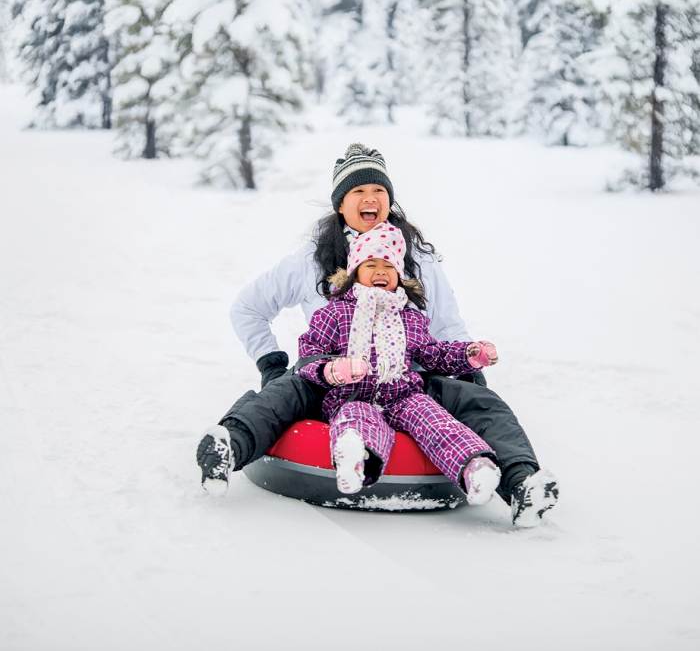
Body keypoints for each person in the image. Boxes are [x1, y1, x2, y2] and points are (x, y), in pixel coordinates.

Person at [197, 143, 559, 526]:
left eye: (379, 192)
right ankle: (228, 450)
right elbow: (248, 308)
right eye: (359, 191)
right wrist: (272, 364)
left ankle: (521, 485)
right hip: (330, 377)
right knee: (280, 395)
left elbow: (446, 325)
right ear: (341, 204)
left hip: (407, 379)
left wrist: (471, 377)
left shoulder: (416, 259)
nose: (370, 199)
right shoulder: (310, 260)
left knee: (482, 402)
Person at [297, 221, 502, 504]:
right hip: (351, 394)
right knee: (357, 416)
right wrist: (332, 369)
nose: (380, 272)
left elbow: (433, 354)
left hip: (402, 395)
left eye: (388, 266)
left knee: (433, 418)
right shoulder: (335, 313)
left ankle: (474, 468)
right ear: (355, 273)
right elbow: (309, 353)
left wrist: (469, 354)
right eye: (371, 265)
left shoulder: (410, 317)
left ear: (398, 275)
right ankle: (354, 460)